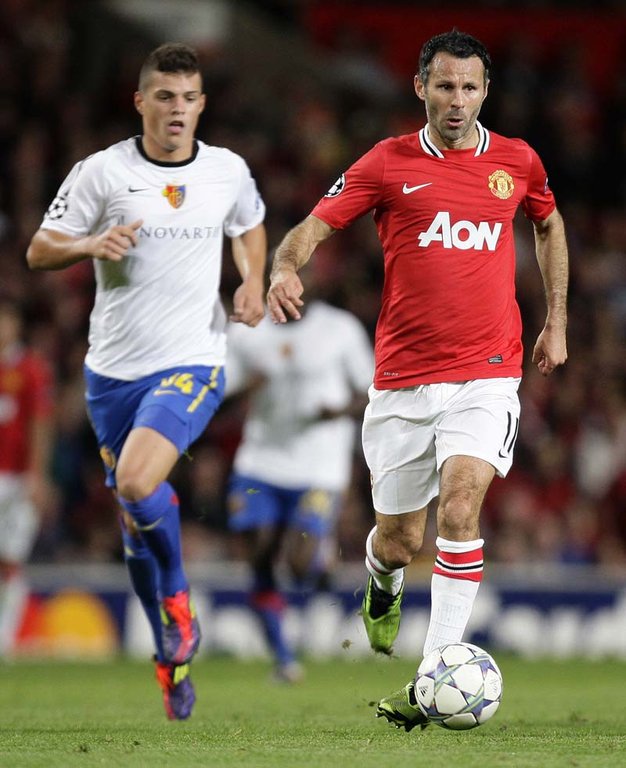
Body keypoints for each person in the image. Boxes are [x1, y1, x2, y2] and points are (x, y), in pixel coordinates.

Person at [267, 29, 568, 730]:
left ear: (485, 92)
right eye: (444, 86)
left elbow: (549, 225)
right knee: (399, 539)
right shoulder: (387, 162)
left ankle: (432, 677)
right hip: (403, 383)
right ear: (421, 88)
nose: (457, 100)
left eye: (469, 87)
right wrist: (284, 267)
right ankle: (382, 579)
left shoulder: (517, 161)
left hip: (487, 375)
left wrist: (556, 318)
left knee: (460, 509)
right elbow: (312, 228)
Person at [26, 42, 267, 720]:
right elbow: (39, 249)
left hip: (194, 360)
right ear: (141, 102)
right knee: (134, 521)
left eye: (188, 98)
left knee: (135, 483)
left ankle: (178, 602)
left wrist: (252, 279)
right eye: (164, 97)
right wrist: (88, 244)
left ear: (202, 104)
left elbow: (249, 225)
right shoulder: (103, 172)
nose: (177, 109)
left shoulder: (225, 170)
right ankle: (170, 656)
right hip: (111, 373)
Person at [225, 274, 374, 681]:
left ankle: (320, 557)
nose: (292, 288)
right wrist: (246, 386)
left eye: (300, 279)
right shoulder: (247, 328)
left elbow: (373, 392)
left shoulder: (339, 329)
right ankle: (283, 658)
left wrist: (338, 411)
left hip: (319, 468)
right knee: (259, 552)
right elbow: (215, 393)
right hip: (260, 462)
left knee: (299, 561)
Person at [0, 297, 54, 656]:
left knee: (10, 557)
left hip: (17, 478)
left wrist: (37, 475)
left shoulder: (30, 368)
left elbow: (41, 423)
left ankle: (5, 637)